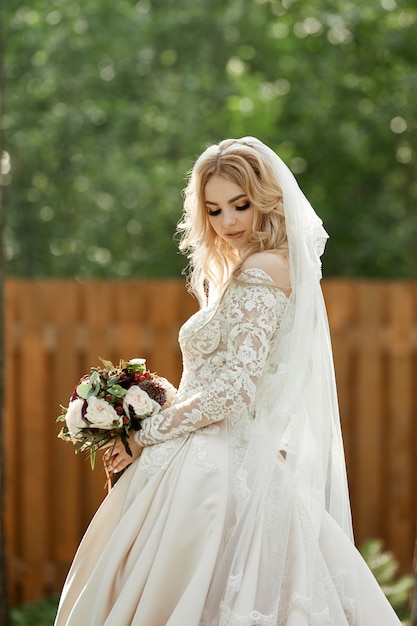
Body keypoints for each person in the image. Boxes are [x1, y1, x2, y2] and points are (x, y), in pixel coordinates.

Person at [55, 137, 402, 625]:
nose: (230, 221)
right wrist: (157, 402)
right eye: (215, 210)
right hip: (213, 454)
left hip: (218, 465)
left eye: (241, 205)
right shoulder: (260, 269)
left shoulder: (262, 272)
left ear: (267, 198)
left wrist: (143, 432)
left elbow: (238, 390)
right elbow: (226, 380)